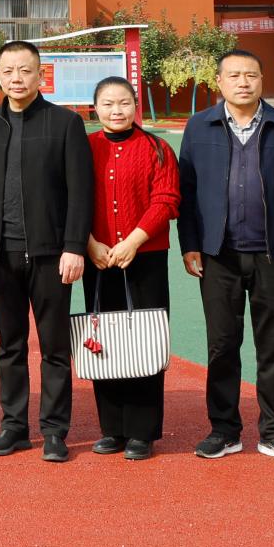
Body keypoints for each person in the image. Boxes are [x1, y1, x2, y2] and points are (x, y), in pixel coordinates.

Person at [177, 48, 274, 464]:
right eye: (234, 75)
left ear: (261, 80)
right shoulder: (199, 126)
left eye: (251, 75)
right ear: (219, 81)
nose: (243, 82)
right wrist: (190, 243)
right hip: (217, 255)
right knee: (222, 345)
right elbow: (186, 191)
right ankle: (224, 430)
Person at [0, 40, 92, 462]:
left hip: (51, 255)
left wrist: (74, 246)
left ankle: (55, 430)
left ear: (41, 75)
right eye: (8, 71)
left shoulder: (65, 123)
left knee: (54, 347)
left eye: (25, 70)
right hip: (1, 255)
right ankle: (14, 426)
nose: (17, 79)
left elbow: (81, 191)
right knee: (10, 345)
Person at [84, 75, 179, 460]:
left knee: (144, 338)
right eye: (107, 104)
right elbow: (70, 197)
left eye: (124, 102)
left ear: (135, 105)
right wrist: (90, 243)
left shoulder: (157, 148)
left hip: (145, 257)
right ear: (95, 108)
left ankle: (142, 431)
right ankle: (112, 428)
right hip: (97, 256)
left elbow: (167, 199)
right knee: (105, 341)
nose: (116, 110)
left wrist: (133, 241)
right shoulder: (85, 147)